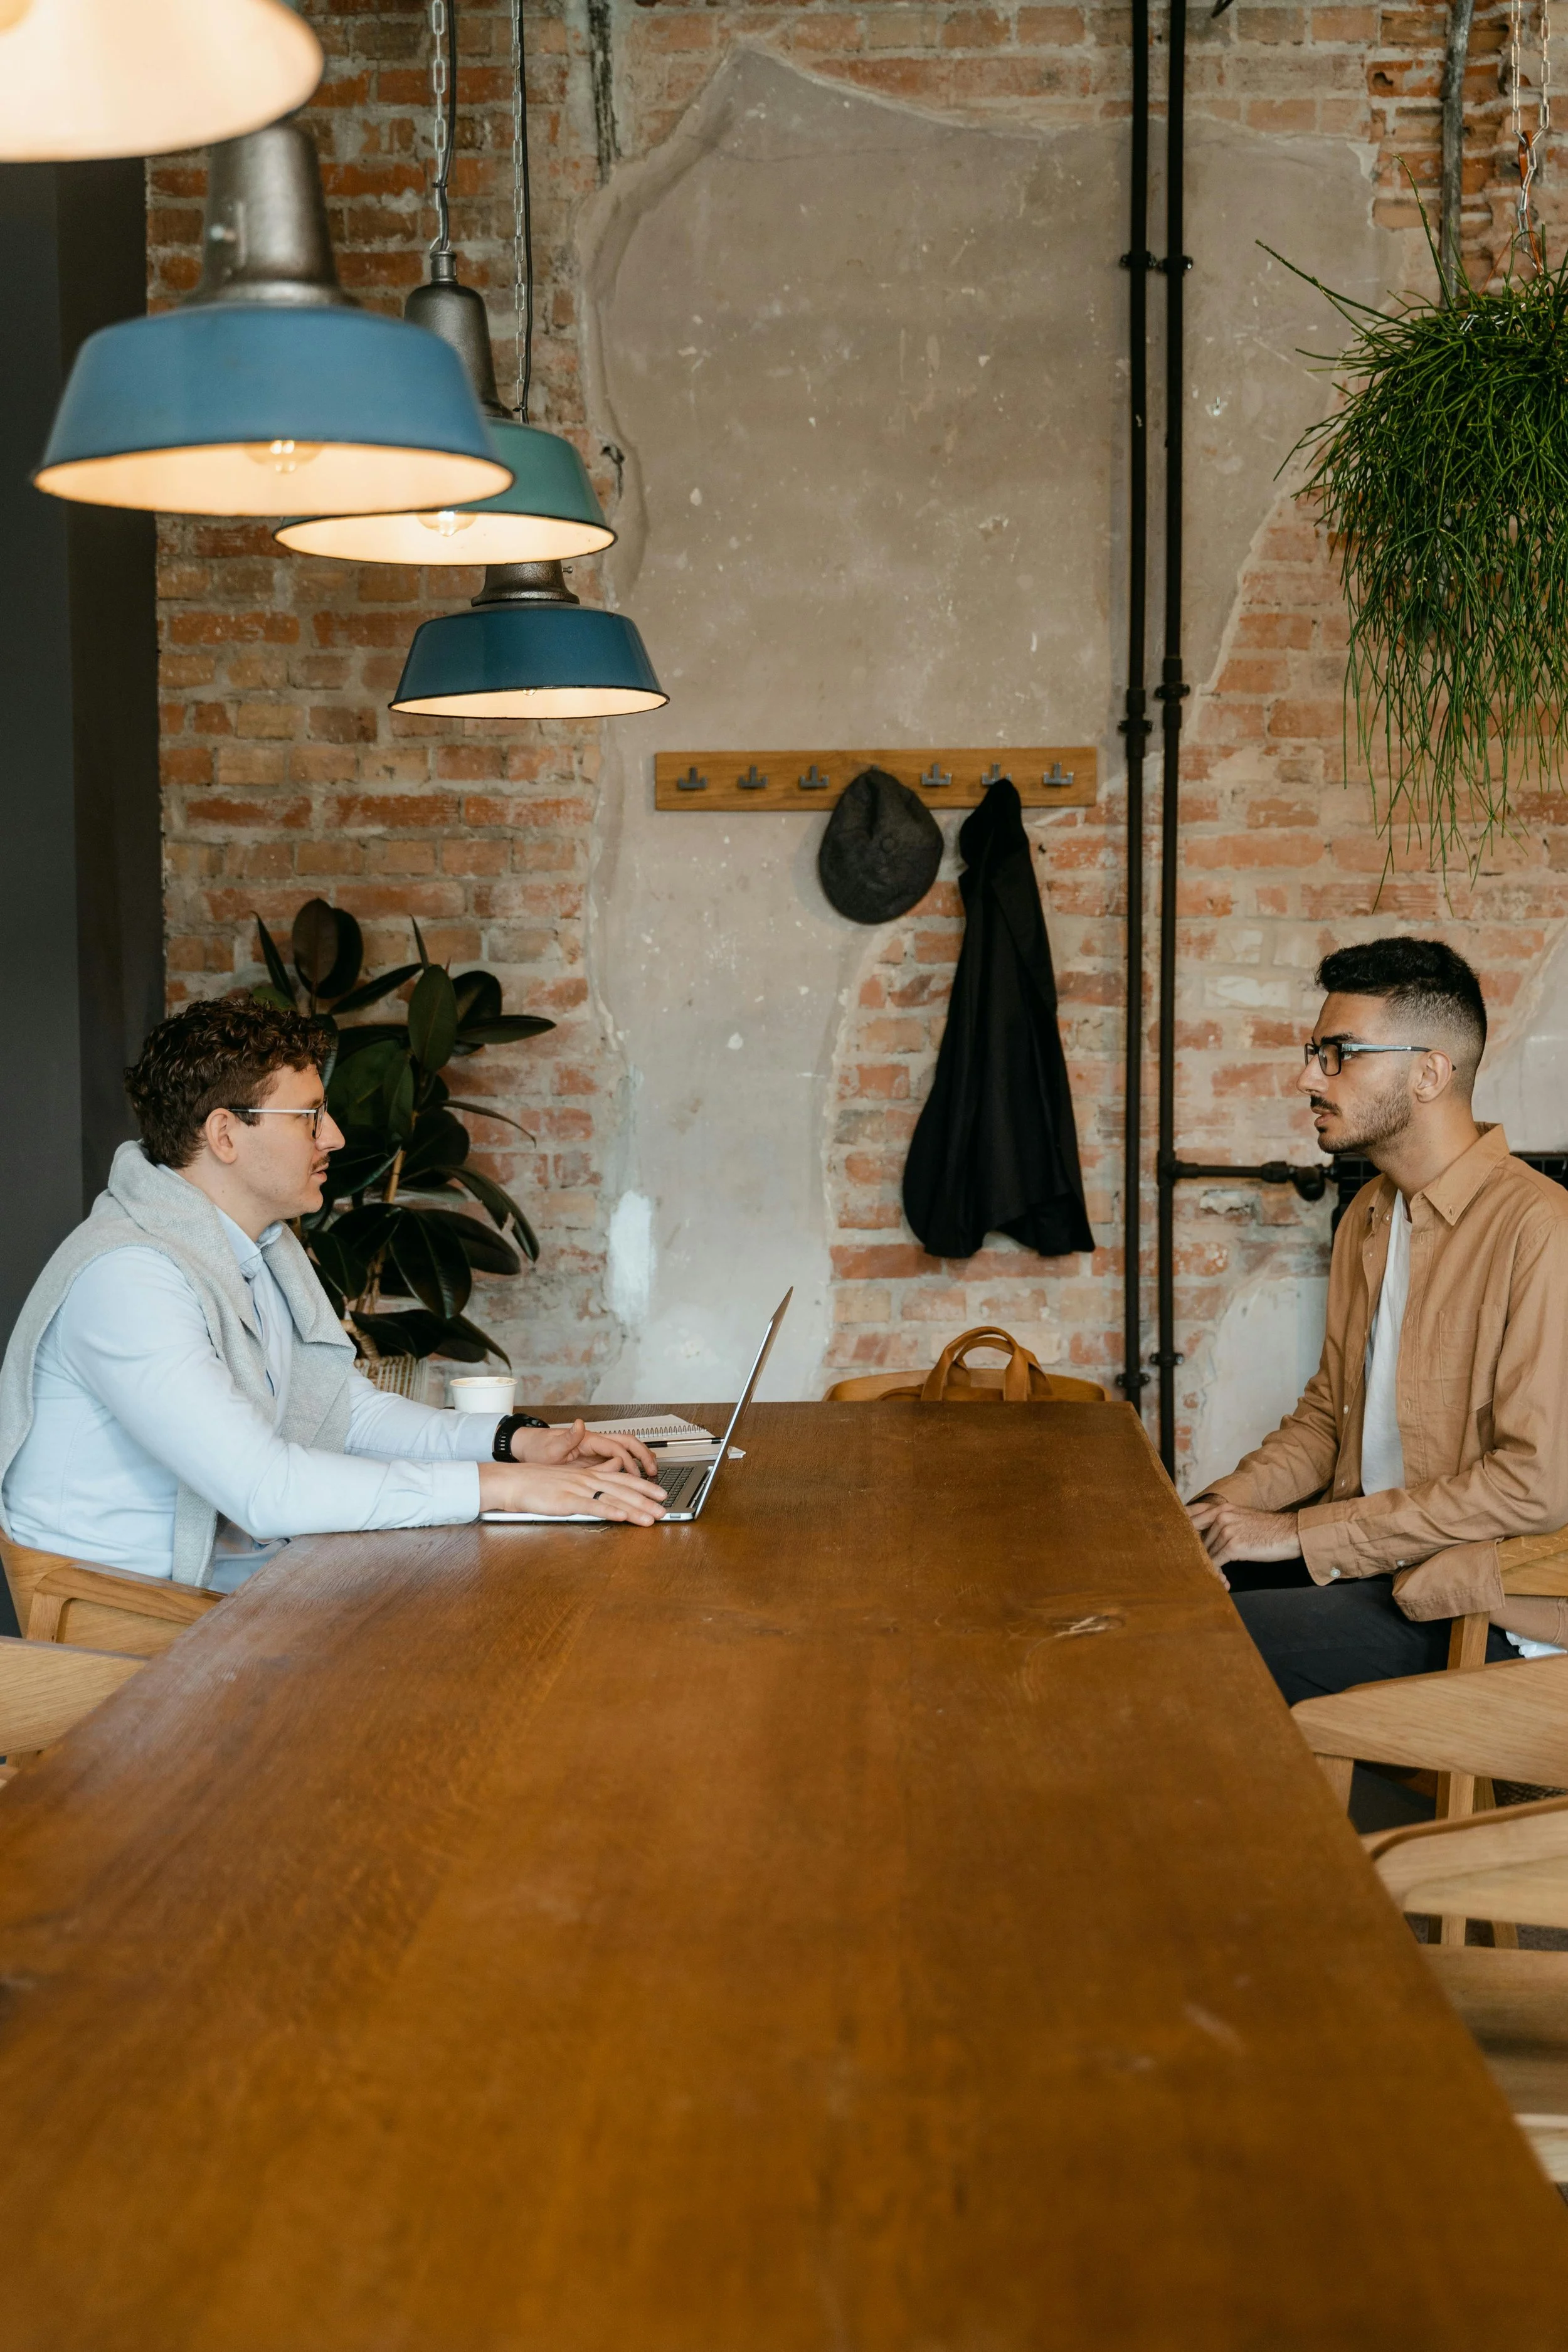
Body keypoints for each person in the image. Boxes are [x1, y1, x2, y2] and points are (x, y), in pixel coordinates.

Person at [0, 993, 667, 1600]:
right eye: (309, 1117)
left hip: (254, 1584)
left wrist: (514, 1445)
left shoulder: (256, 1249)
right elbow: (265, 1489)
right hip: (131, 1624)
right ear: (225, 1134)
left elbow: (344, 1411)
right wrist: (504, 1490)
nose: (335, 1138)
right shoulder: (129, 1278)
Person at [1187, 936, 1568, 1704]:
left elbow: (1534, 1487)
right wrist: (1214, 1514)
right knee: (1165, 1610)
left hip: (1484, 1605)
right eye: (1313, 1051)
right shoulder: (1369, 1211)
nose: (1307, 1077)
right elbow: (1329, 1417)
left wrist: (1295, 1536)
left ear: (1429, 1073)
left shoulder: (1541, 1228)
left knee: (1198, 1658)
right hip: (1381, 1565)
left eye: (1340, 1054)